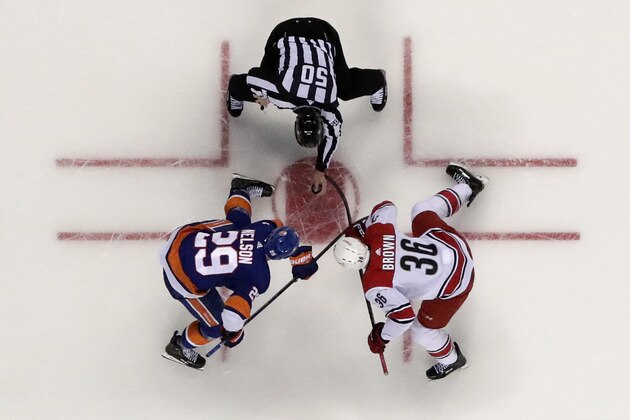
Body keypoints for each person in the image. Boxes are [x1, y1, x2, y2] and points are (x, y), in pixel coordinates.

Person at [333, 163, 489, 380]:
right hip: (453, 246)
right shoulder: (378, 232)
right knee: (422, 210)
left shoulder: (374, 284)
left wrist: (382, 336)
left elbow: (404, 316)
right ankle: (469, 187)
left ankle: (452, 360)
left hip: (457, 282)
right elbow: (387, 207)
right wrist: (365, 227)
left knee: (421, 331)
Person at [159, 174, 319, 370]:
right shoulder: (259, 277)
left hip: (182, 238)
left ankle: (240, 190)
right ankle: (179, 347)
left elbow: (277, 226)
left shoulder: (264, 229)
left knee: (238, 226)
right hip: (180, 277)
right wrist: (234, 333)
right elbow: (232, 315)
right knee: (216, 327)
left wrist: (299, 256)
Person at [226, 17, 387, 194]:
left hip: (315, 33)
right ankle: (377, 80)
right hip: (302, 32)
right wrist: (263, 96)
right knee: (345, 87)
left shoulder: (328, 104)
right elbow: (253, 77)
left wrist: (320, 170)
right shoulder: (282, 94)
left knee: (343, 88)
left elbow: (332, 136)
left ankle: (377, 81)